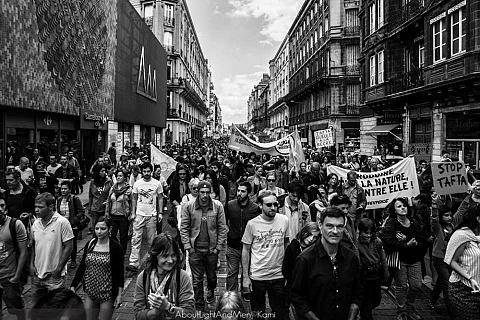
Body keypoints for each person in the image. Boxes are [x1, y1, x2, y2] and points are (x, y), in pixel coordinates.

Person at [291, 207, 363, 320]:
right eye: (329, 226)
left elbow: (358, 291)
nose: (335, 231)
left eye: (339, 227)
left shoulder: (351, 258)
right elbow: (297, 297)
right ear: (320, 226)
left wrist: (352, 314)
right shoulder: (305, 259)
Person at [241, 190, 289, 320]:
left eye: (275, 204)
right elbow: (245, 250)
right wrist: (245, 277)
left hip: (278, 275)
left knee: (280, 312)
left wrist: (288, 272)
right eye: (269, 205)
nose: (273, 208)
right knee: (258, 313)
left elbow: (287, 244)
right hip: (258, 276)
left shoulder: (284, 220)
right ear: (260, 206)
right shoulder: (252, 224)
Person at [180, 181, 227, 308]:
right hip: (195, 250)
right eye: (202, 192)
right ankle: (199, 304)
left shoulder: (218, 206)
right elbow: (184, 228)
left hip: (211, 251)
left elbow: (222, 228)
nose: (205, 195)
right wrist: (188, 247)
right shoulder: (188, 206)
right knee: (197, 280)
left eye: (207, 192)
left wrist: (218, 248)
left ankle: (211, 290)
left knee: (211, 277)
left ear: (211, 192)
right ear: (198, 192)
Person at [379, 198, 426, 320]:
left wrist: (414, 242)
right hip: (400, 260)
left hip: (414, 259)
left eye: (404, 205)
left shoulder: (414, 222)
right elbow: (387, 241)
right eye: (399, 206)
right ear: (394, 210)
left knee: (416, 285)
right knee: (401, 286)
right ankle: (401, 309)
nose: (403, 208)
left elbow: (421, 237)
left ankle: (409, 305)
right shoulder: (392, 223)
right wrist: (405, 244)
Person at [70, 217, 124, 320]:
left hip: (107, 293)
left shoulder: (115, 248)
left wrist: (119, 295)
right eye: (97, 228)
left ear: (109, 229)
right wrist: (73, 285)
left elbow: (119, 273)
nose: (99, 232)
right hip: (90, 291)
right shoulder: (90, 244)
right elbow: (83, 266)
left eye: (103, 228)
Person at [134, 234, 195, 320]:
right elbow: (138, 313)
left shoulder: (182, 277)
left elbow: (190, 314)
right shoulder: (143, 277)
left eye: (173, 255)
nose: (170, 260)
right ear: (155, 256)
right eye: (165, 256)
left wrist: (168, 307)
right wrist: (155, 312)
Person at [30, 193, 74, 304]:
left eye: (40, 207)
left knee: (55, 309)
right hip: (37, 276)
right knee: (37, 309)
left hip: (54, 278)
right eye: (35, 207)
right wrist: (31, 264)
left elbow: (69, 247)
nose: (36, 210)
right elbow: (34, 246)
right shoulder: (35, 224)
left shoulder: (62, 222)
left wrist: (58, 269)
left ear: (50, 207)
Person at [127, 162, 164, 273]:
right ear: (141, 172)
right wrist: (133, 212)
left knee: (152, 240)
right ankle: (133, 263)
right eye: (144, 171)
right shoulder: (137, 183)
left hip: (152, 215)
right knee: (135, 239)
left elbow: (161, 198)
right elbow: (134, 198)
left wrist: (160, 213)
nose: (147, 173)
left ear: (151, 172)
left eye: (148, 171)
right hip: (139, 214)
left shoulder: (157, 183)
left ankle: (152, 261)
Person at [444, 206, 480, 320]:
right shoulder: (461, 235)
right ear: (478, 219)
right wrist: (470, 278)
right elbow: (451, 261)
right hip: (463, 289)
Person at [225, 182, 261, 293]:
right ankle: (231, 296)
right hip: (233, 245)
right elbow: (223, 221)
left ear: (248, 193)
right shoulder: (230, 205)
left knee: (249, 271)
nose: (239, 193)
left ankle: (246, 291)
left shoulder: (254, 208)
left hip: (249, 246)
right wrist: (228, 231)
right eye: (238, 190)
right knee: (232, 272)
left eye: (243, 191)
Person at [282, 222, 319, 319]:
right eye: (310, 235)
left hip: (310, 289)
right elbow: (286, 269)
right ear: (304, 232)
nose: (311, 239)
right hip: (294, 287)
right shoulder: (293, 247)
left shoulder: (315, 249)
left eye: (315, 237)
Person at [0, 193, 28, 320]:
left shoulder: (15, 224)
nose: (0, 209)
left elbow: (23, 252)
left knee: (17, 309)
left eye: (2, 206)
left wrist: (16, 276)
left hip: (10, 276)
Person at [357, 218, 388, 320]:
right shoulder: (356, 243)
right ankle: (365, 314)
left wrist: (385, 274)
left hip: (376, 274)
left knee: (376, 299)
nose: (368, 235)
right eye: (366, 233)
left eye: (370, 233)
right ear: (360, 231)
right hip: (364, 276)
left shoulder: (377, 241)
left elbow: (383, 258)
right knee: (366, 301)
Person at [430, 203, 453, 310]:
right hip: (439, 258)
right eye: (446, 215)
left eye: (450, 215)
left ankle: (432, 300)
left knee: (441, 281)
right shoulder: (438, 227)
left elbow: (460, 212)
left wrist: (470, 197)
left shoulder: (453, 226)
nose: (449, 218)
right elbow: (434, 219)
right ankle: (451, 309)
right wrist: (434, 207)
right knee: (447, 283)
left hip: (450, 258)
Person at [56, 181, 84, 268]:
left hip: (72, 225)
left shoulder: (74, 199)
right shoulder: (59, 199)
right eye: (62, 189)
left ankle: (73, 260)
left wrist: (74, 220)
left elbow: (81, 211)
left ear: (69, 189)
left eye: (65, 189)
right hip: (62, 225)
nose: (63, 190)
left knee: (72, 243)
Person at [105, 169, 132, 255]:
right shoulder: (113, 188)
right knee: (112, 236)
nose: (118, 177)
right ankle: (114, 252)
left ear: (124, 178)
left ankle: (122, 254)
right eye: (117, 176)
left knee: (123, 237)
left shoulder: (128, 189)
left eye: (121, 176)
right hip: (113, 216)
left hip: (123, 217)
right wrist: (107, 212)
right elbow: (109, 200)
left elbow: (132, 203)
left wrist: (131, 214)